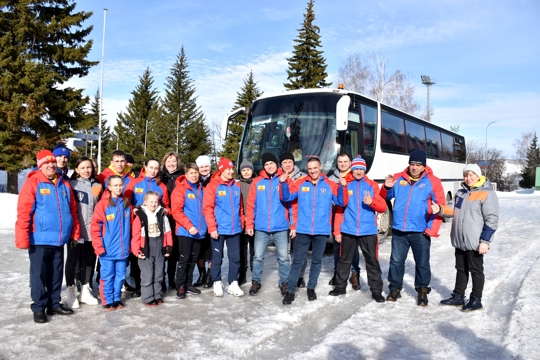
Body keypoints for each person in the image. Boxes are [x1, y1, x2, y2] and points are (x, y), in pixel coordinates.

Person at [380, 149, 452, 306]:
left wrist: (431, 229)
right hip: (400, 230)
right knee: (396, 261)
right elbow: (385, 197)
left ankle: (422, 291)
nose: (414, 167)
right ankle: (395, 289)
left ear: (424, 166)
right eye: (412, 164)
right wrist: (386, 187)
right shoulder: (398, 178)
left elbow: (440, 207)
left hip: (421, 231)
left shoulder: (433, 181)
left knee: (422, 263)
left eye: (418, 165)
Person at [16, 150, 80, 323]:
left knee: (56, 273)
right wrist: (23, 237)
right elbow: (24, 212)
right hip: (40, 238)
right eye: (47, 163)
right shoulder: (33, 183)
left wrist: (74, 231)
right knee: (39, 275)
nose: (51, 165)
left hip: (59, 238)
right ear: (40, 165)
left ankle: (54, 303)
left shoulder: (63, 184)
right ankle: (38, 307)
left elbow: (72, 211)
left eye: (53, 162)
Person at [280, 157, 347, 304]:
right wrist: (284, 183)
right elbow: (287, 197)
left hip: (321, 230)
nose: (312, 171)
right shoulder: (300, 183)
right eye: (310, 168)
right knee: (297, 261)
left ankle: (311, 288)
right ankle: (290, 291)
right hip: (303, 229)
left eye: (315, 168)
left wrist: (342, 187)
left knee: (316, 261)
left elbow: (341, 202)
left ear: (320, 167)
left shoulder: (329, 184)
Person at [439, 164, 499, 311]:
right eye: (466, 175)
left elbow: (492, 219)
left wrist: (485, 241)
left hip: (475, 242)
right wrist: (439, 209)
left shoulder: (487, 193)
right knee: (461, 268)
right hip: (460, 240)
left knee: (476, 270)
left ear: (478, 176)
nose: (468, 178)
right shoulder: (461, 193)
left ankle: (476, 299)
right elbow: (451, 209)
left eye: (472, 175)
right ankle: (458, 295)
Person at [330, 156, 387, 302]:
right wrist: (337, 230)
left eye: (361, 169)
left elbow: (382, 207)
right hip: (349, 229)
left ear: (365, 169)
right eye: (356, 169)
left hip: (368, 231)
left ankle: (376, 290)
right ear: (352, 170)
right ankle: (340, 286)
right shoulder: (346, 184)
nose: (359, 172)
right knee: (344, 260)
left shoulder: (372, 185)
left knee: (372, 261)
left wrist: (371, 201)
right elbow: (339, 207)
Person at [246, 153, 291, 296]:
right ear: (263, 166)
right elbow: (251, 204)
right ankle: (256, 281)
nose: (269, 166)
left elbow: (291, 203)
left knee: (283, 257)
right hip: (261, 226)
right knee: (258, 256)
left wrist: (293, 224)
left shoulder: (284, 179)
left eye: (271, 163)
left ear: (276, 164)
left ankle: (284, 281)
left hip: (281, 225)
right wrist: (249, 224)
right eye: (266, 164)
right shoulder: (257, 182)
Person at [203, 158, 245, 297]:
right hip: (218, 229)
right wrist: (212, 227)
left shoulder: (236, 186)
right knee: (217, 258)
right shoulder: (212, 186)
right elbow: (207, 208)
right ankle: (216, 281)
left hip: (234, 228)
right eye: (228, 169)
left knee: (235, 258)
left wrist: (242, 222)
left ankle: (233, 282)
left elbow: (240, 208)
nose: (231, 171)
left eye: (232, 169)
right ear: (221, 170)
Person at [64, 157, 102, 308]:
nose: (87, 170)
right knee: (72, 261)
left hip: (91, 231)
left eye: (89, 167)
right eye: (83, 167)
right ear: (77, 169)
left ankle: (86, 288)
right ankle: (71, 290)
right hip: (76, 230)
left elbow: (99, 207)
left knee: (89, 261)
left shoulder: (97, 186)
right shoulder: (71, 185)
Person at [91, 175, 133, 310]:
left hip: (123, 249)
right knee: (108, 276)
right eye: (115, 185)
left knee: (120, 276)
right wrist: (99, 246)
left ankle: (116, 298)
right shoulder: (103, 205)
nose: (118, 187)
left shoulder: (126, 204)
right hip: (107, 249)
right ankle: (107, 299)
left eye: (120, 185)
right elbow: (95, 227)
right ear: (109, 187)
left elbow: (131, 225)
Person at [171, 163, 207, 299]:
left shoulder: (201, 189)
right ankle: (180, 284)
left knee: (193, 258)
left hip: (199, 231)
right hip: (185, 230)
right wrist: (189, 226)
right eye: (191, 173)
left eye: (196, 173)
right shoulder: (180, 190)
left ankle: (188, 283)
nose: (194, 175)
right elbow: (176, 211)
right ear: (185, 175)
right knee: (184, 258)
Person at [131, 191, 173, 306]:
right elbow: (136, 234)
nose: (154, 204)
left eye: (156, 202)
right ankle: (148, 297)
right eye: (151, 202)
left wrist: (168, 247)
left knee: (159, 273)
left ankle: (157, 294)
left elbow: (168, 231)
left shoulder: (162, 214)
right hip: (146, 246)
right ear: (145, 202)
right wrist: (136, 250)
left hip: (159, 244)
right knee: (147, 273)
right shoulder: (141, 215)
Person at [327, 153, 361, 290]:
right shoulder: (331, 178)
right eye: (340, 161)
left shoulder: (355, 177)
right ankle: (338, 272)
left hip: (351, 219)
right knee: (337, 248)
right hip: (335, 217)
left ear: (350, 162)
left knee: (352, 249)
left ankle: (354, 274)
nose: (342, 164)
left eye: (345, 161)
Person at [279, 152, 307, 288]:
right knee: (284, 253)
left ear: (293, 163)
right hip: (282, 220)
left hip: (299, 219)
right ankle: (285, 277)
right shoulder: (278, 178)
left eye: (290, 161)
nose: (287, 164)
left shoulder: (303, 177)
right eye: (284, 162)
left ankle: (300, 276)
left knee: (299, 251)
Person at [160, 151, 185, 290]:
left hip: (176, 218)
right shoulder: (160, 176)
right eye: (168, 161)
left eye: (173, 161)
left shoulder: (181, 177)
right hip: (162, 217)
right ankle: (161, 278)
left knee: (174, 250)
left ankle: (172, 277)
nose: (171, 163)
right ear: (164, 162)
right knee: (162, 248)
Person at [194, 155, 214, 288]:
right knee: (199, 250)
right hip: (198, 219)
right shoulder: (196, 181)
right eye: (201, 167)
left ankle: (209, 274)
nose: (204, 169)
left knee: (211, 250)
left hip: (211, 219)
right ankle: (201, 274)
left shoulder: (215, 180)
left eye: (206, 166)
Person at [237, 160, 256, 285]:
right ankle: (242, 274)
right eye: (243, 170)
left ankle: (255, 274)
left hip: (254, 221)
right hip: (241, 221)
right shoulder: (237, 184)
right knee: (241, 250)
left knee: (255, 251)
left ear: (252, 171)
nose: (246, 172)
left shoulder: (257, 182)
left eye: (248, 169)